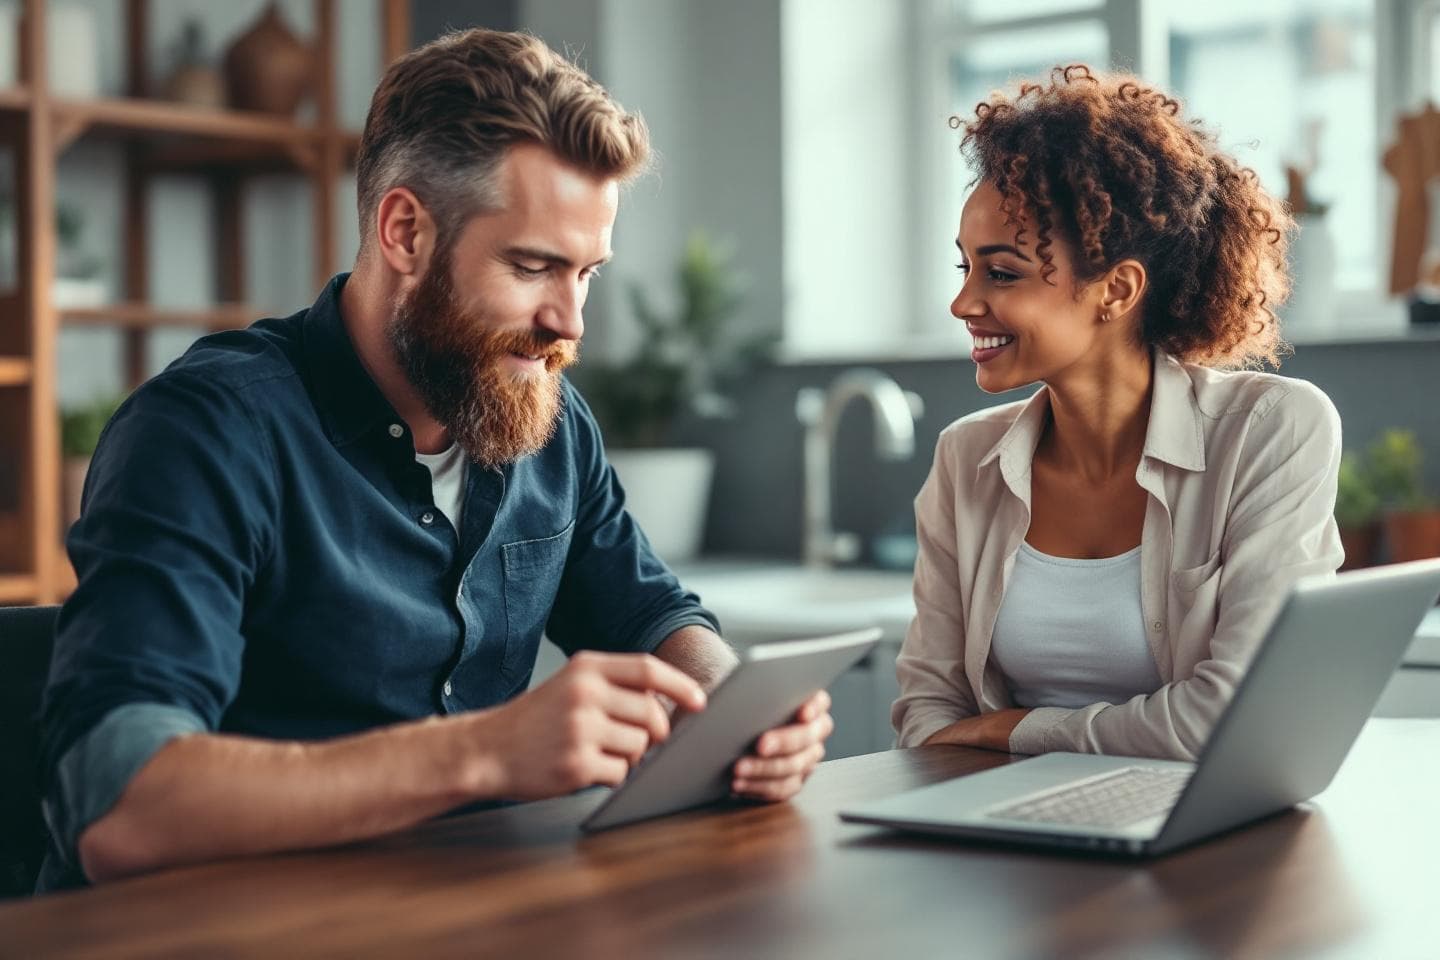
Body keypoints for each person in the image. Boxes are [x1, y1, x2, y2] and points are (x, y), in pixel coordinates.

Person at [38, 28, 833, 890]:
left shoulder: (545, 417)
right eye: (533, 266)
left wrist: (737, 713)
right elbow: (119, 807)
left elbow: (650, 616)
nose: (570, 322)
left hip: (459, 915)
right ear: (406, 232)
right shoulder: (205, 432)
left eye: (587, 273)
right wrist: (486, 753)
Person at [892, 65, 1344, 761]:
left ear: (1117, 289)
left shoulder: (1270, 431)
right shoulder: (966, 460)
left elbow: (1238, 718)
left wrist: (1013, 729)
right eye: (965, 269)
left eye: (1002, 272)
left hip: (1200, 834)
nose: (964, 304)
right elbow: (926, 717)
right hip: (999, 837)